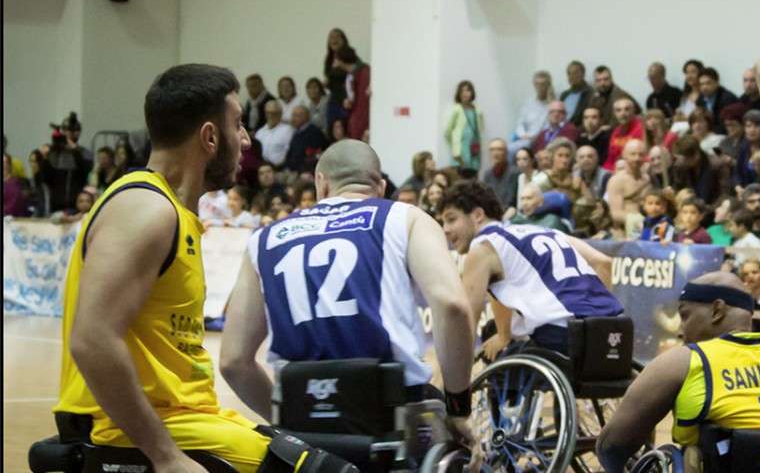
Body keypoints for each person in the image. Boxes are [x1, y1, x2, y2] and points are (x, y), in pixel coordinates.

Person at [54, 64, 330, 473]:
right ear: (210, 136)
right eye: (238, 124)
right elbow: (92, 339)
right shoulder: (146, 209)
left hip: (190, 418)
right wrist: (166, 458)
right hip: (123, 430)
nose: (246, 138)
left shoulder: (173, 212)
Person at [219, 140, 477, 446]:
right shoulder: (405, 217)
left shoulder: (264, 238)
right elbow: (452, 306)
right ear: (380, 188)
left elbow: (233, 362)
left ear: (321, 183)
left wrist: (283, 420)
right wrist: (458, 408)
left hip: (303, 412)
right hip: (389, 412)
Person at [595, 273, 760, 473]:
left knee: (692, 455)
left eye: (685, 316)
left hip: (719, 463)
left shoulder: (683, 360)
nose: (680, 330)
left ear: (717, 310)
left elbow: (611, 446)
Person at [440, 181, 621, 359]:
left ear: (478, 215)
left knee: (496, 344)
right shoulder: (544, 231)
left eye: (451, 219)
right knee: (497, 330)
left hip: (563, 334)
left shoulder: (483, 247)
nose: (445, 229)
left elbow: (467, 321)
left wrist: (451, 373)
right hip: (613, 329)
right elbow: (603, 262)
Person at [605, 139, 651, 237]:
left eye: (641, 154)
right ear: (624, 155)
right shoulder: (617, 181)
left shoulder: (648, 179)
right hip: (623, 231)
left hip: (648, 227)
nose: (637, 158)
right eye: (633, 154)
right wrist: (636, 220)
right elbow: (615, 213)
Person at [511, 70, 556, 157]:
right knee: (508, 149)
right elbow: (520, 123)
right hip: (525, 138)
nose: (540, 87)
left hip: (542, 139)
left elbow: (551, 127)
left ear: (548, 85)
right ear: (534, 85)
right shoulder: (528, 103)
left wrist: (535, 137)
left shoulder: (553, 104)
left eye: (543, 84)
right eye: (537, 84)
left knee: (513, 150)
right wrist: (523, 135)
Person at [671, 134, 725, 207]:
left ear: (697, 154)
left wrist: (709, 209)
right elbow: (678, 188)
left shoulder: (716, 165)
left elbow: (724, 194)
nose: (683, 162)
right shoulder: (679, 165)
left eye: (686, 159)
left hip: (712, 208)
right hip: (688, 208)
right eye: (681, 158)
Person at [444, 80, 484, 170]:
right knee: (459, 175)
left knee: (473, 173)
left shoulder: (478, 111)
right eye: (462, 91)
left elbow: (480, 130)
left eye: (468, 90)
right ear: (458, 93)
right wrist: (455, 145)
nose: (465, 93)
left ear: (472, 93)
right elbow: (447, 132)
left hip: (474, 149)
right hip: (460, 152)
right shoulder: (456, 110)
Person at [537, 138, 590, 203]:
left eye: (567, 156)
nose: (564, 160)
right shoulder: (543, 178)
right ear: (552, 157)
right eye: (560, 155)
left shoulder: (575, 178)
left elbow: (590, 201)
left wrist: (577, 174)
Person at [283, 105, 328, 174]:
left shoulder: (314, 133)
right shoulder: (297, 133)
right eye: (293, 115)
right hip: (292, 170)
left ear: (306, 117)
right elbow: (290, 154)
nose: (293, 119)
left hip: (306, 172)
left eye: (297, 116)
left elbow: (313, 156)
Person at [604, 98, 645, 172]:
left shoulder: (642, 129)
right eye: (618, 110)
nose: (623, 114)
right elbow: (611, 158)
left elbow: (644, 156)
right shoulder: (615, 132)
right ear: (615, 114)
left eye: (627, 109)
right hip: (616, 170)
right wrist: (606, 172)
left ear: (633, 111)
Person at [253, 99, 293, 168]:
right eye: (268, 113)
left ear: (280, 114)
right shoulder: (260, 132)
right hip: (261, 168)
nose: (270, 115)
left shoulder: (288, 130)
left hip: (280, 168)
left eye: (274, 113)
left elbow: (290, 152)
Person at [481, 139, 519, 211]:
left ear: (506, 152)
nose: (495, 153)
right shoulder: (487, 174)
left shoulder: (515, 173)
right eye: (492, 150)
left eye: (499, 149)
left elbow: (510, 202)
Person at [698, 68, 739, 132]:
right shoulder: (700, 98)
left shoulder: (727, 99)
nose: (704, 87)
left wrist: (709, 132)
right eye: (701, 84)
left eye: (708, 83)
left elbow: (726, 126)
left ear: (717, 83)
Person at [560, 60, 595, 128]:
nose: (572, 76)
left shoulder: (590, 94)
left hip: (578, 130)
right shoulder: (564, 95)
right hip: (561, 129)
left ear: (583, 74)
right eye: (569, 73)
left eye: (575, 73)